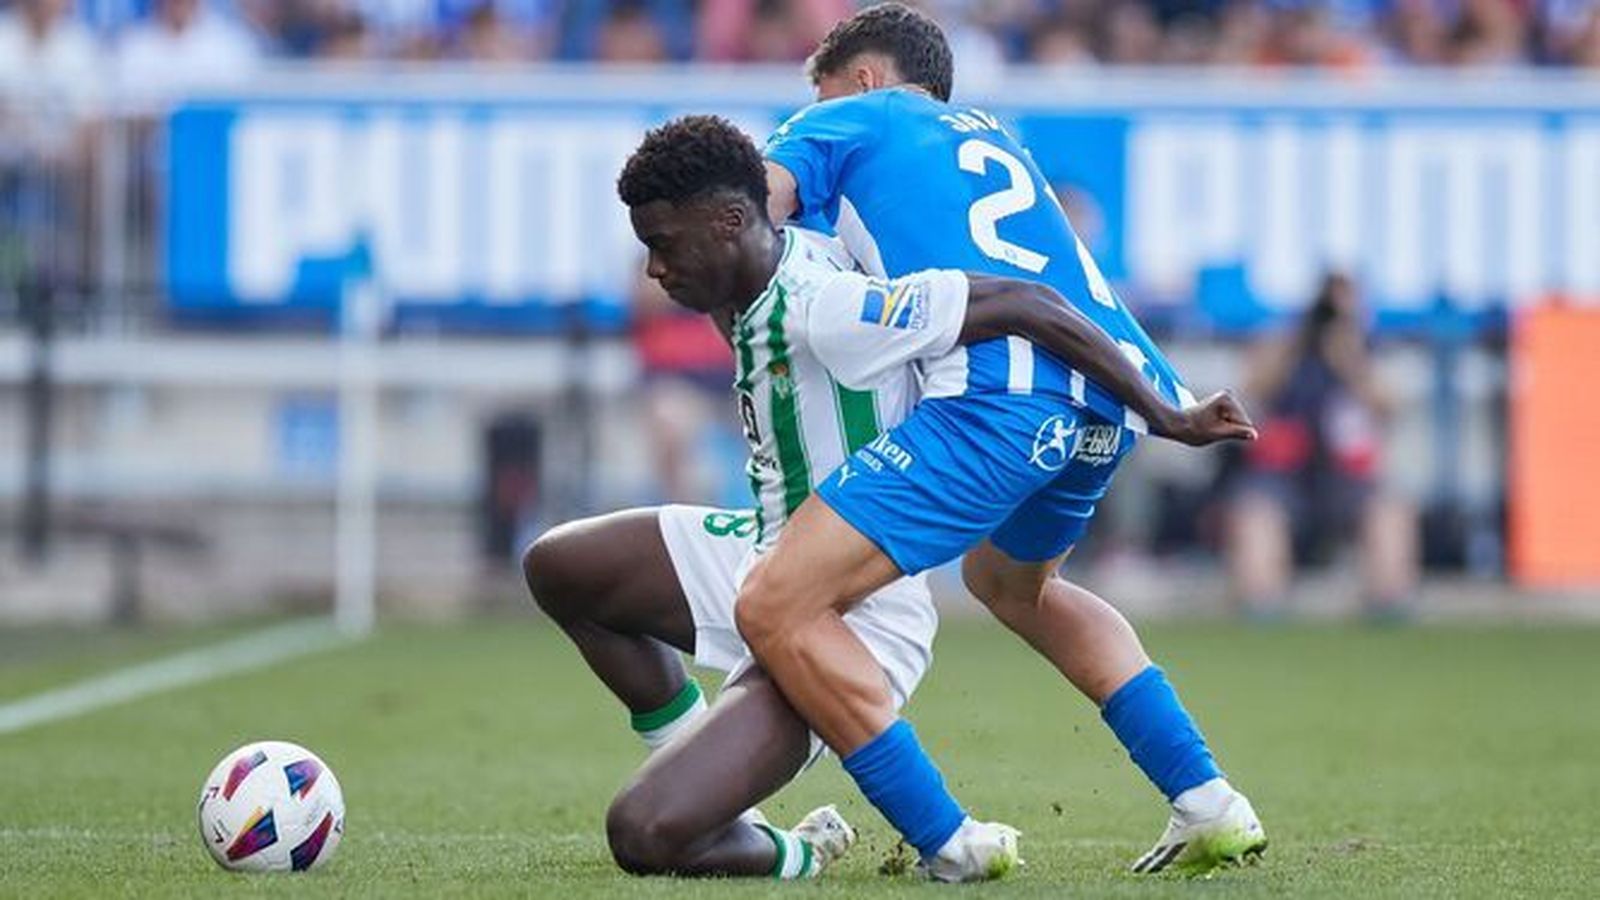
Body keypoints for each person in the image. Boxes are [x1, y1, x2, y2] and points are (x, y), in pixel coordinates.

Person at [524, 113, 1247, 881]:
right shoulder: (748, 267)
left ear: (732, 222)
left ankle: (824, 848)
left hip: (849, 607)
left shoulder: (826, 304)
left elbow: (1030, 303)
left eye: (662, 244)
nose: (652, 270)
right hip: (763, 548)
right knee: (558, 565)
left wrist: (1165, 410)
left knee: (644, 833)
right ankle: (713, 778)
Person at [735, 2, 1267, 877]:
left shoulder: (850, 115)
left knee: (773, 603)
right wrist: (1166, 404)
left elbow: (749, 212)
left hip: (997, 404)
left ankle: (947, 841)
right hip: (1101, 399)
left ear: (864, 80)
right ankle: (1209, 800)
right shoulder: (993, 137)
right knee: (1012, 585)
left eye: (823, 93)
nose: (814, 115)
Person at [1223, 271, 1418, 619]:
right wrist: (1292, 345)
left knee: (1388, 510)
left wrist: (1350, 359)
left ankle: (1388, 604)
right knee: (1256, 515)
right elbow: (1251, 393)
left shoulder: (1364, 351)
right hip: (1283, 474)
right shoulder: (1285, 347)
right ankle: (1262, 606)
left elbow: (1389, 408)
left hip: (1345, 476)